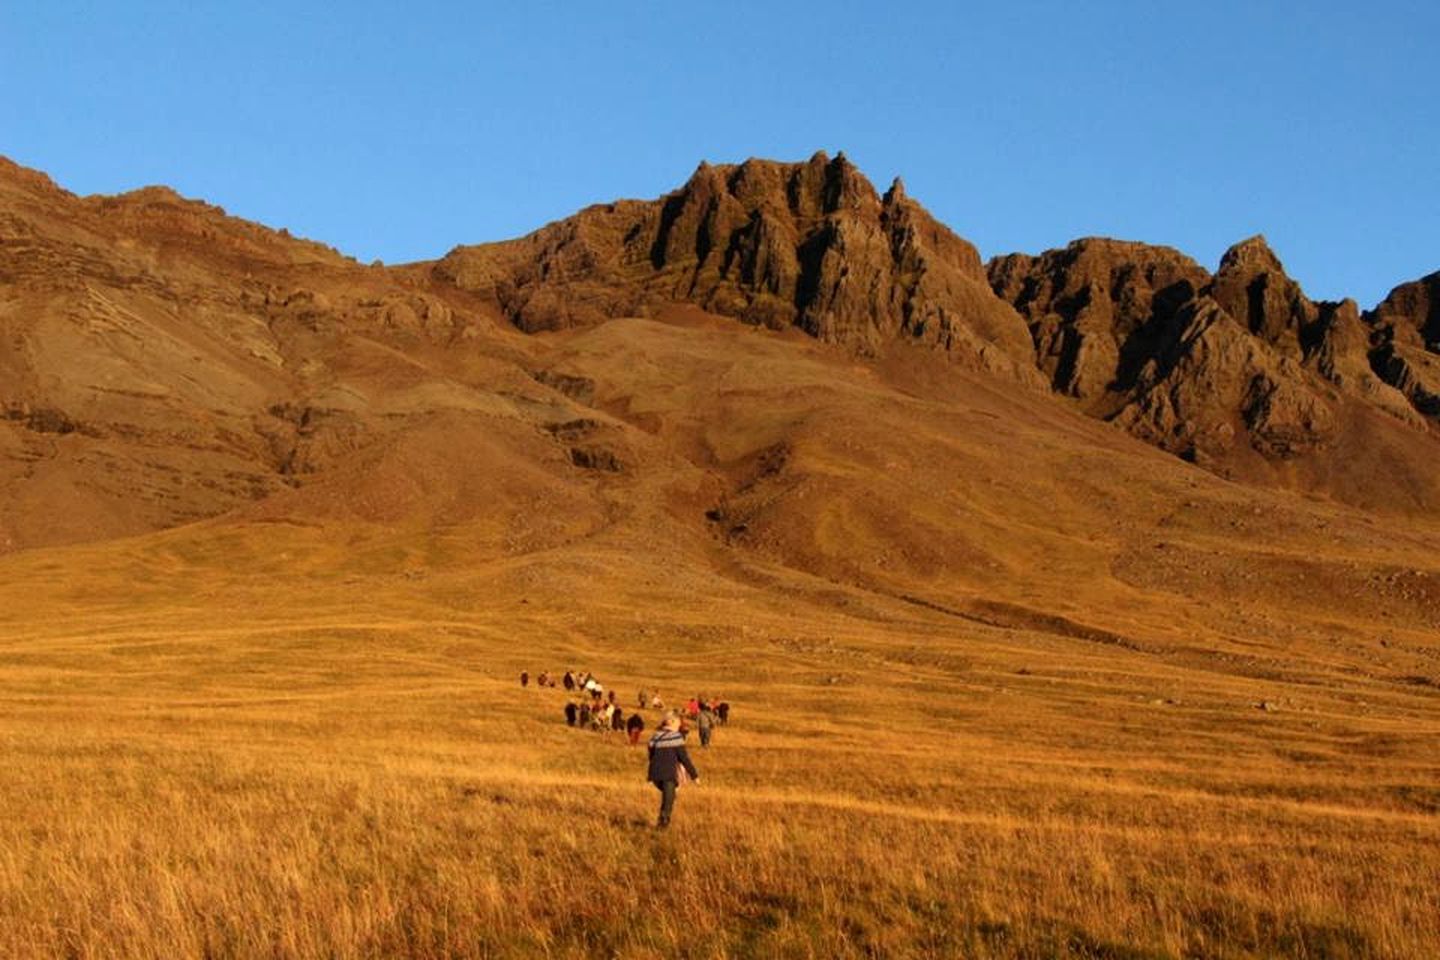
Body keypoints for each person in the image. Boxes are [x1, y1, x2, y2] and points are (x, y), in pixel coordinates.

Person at [646, 712, 699, 828]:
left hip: (655, 774)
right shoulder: (676, 737)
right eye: (678, 723)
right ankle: (663, 823)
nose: (679, 726)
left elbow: (651, 755)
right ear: (671, 722)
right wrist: (694, 775)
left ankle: (663, 821)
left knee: (669, 796)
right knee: (669, 798)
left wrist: (650, 774)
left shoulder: (656, 736)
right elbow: (684, 758)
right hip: (668, 773)